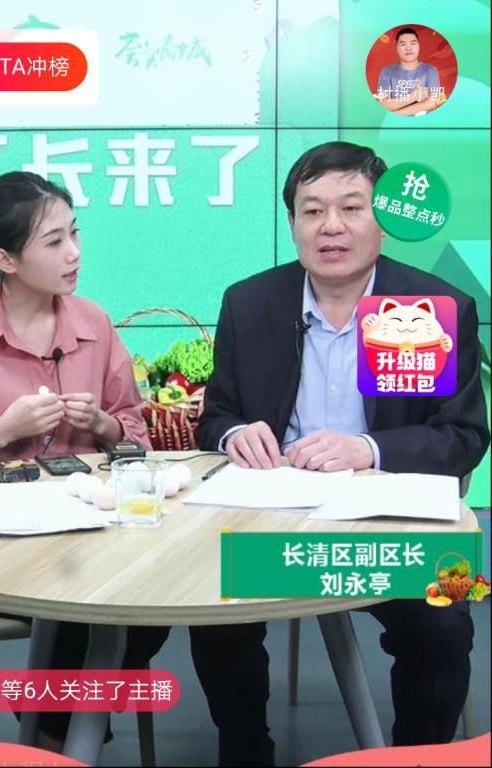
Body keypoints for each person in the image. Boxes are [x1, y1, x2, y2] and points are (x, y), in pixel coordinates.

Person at [196, 141, 489, 761]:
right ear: (293, 224)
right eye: (312, 210)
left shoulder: (425, 308)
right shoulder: (250, 304)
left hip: (390, 526)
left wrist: (367, 448)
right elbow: (216, 414)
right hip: (269, 522)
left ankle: (414, 755)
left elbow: (462, 438)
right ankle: (245, 749)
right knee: (208, 605)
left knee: (443, 622)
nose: (331, 226)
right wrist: (232, 433)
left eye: (352, 208)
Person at [0, 170, 156, 748]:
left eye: (74, 234)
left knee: (148, 600)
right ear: (6, 260)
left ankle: (51, 727)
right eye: (55, 241)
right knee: (90, 606)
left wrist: (103, 424)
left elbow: (137, 439)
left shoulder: (95, 324)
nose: (74, 253)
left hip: (90, 539)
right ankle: (63, 732)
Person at [377, 27, 441, 116]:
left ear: (418, 46)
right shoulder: (387, 72)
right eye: (403, 44)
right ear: (397, 48)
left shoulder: (430, 70)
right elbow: (384, 104)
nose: (408, 48)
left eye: (412, 43)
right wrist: (413, 96)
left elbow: (431, 103)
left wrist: (395, 115)